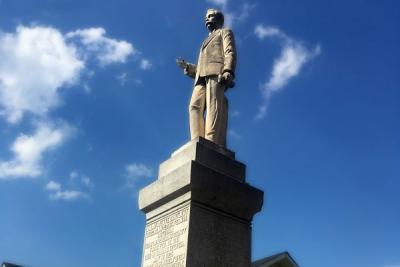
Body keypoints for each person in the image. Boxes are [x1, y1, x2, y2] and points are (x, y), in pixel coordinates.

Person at [177, 8, 237, 147]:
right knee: (194, 106)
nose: (207, 19)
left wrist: (228, 70)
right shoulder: (205, 41)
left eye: (210, 16)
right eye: (206, 17)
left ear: (219, 20)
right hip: (201, 77)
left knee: (213, 105)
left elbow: (230, 51)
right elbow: (202, 65)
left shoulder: (224, 32)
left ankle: (211, 141)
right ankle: (196, 142)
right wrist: (189, 67)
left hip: (217, 73)